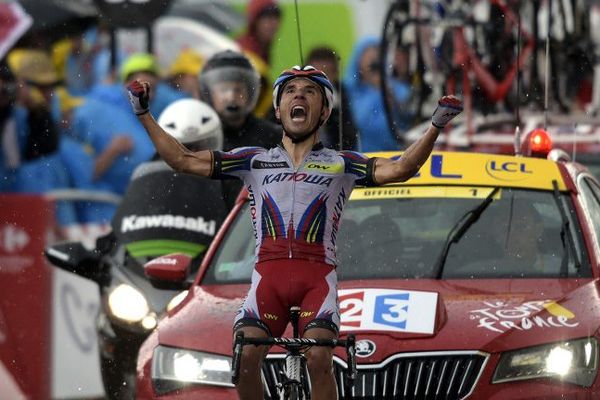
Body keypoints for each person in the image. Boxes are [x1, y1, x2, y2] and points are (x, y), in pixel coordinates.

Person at [126, 64, 462, 400]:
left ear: (325, 111)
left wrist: (435, 125)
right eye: (290, 90)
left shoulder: (343, 163)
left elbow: (402, 168)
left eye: (310, 91)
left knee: (318, 358)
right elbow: (183, 160)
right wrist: (143, 114)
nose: (298, 95)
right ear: (278, 108)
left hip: (316, 282)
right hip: (266, 283)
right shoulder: (253, 161)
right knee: (244, 359)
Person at [112, 98, 228, 262]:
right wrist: (108, 244)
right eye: (180, 147)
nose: (191, 155)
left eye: (201, 146)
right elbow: (125, 221)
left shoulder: (229, 178)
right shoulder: (146, 177)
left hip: (205, 264)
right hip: (146, 265)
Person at [199, 50, 281, 208]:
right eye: (223, 90)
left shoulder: (273, 136)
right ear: (209, 93)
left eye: (238, 90)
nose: (231, 97)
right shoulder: (199, 136)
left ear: (251, 91)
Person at [344, 36, 412, 152]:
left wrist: (388, 93)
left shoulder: (398, 88)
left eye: (377, 51)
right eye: (367, 53)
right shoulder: (349, 92)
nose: (373, 57)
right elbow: (361, 121)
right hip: (366, 157)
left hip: (400, 154)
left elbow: (409, 115)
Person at [306, 46, 358, 150]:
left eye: (326, 75)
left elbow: (349, 136)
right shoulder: (294, 96)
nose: (321, 83)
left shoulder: (342, 95)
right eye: (316, 76)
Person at [236, 0, 281, 66]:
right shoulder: (243, 50)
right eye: (267, 18)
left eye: (276, 18)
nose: (273, 24)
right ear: (254, 22)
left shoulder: (263, 51)